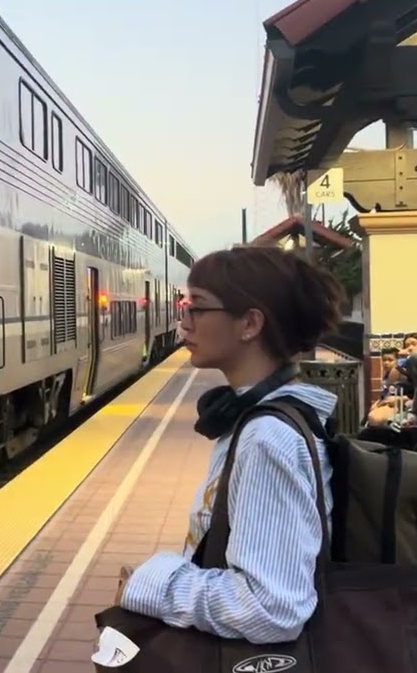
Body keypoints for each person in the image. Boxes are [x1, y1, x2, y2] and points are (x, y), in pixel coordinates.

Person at [115, 244, 345, 644]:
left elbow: (272, 607)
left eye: (198, 308)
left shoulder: (266, 439)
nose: (183, 324)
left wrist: (151, 586)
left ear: (250, 324)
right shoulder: (271, 419)